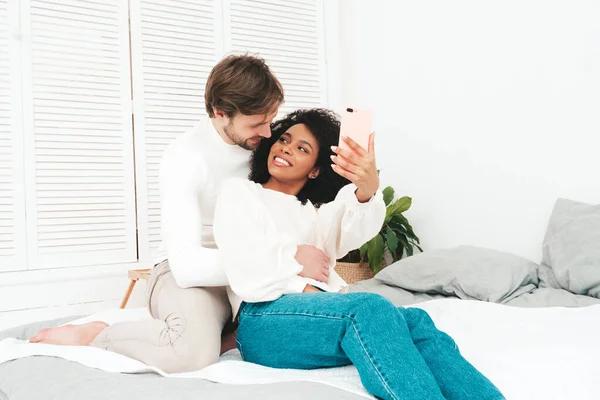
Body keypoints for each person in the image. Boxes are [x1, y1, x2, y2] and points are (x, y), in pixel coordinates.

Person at [28, 54, 325, 374]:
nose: (268, 133)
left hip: (252, 270)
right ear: (220, 113)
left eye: (271, 120)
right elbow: (187, 267)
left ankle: (229, 336)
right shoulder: (185, 158)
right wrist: (287, 259)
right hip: (192, 276)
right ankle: (97, 334)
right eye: (256, 124)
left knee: (320, 320)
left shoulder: (265, 147)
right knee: (192, 353)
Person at [213, 109, 505, 400]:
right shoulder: (241, 193)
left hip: (317, 315)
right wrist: (302, 276)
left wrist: (366, 189)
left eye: (302, 148)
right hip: (261, 322)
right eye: (284, 139)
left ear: (315, 169)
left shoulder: (315, 214)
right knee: (368, 309)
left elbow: (352, 222)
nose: (285, 148)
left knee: (416, 321)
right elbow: (246, 265)